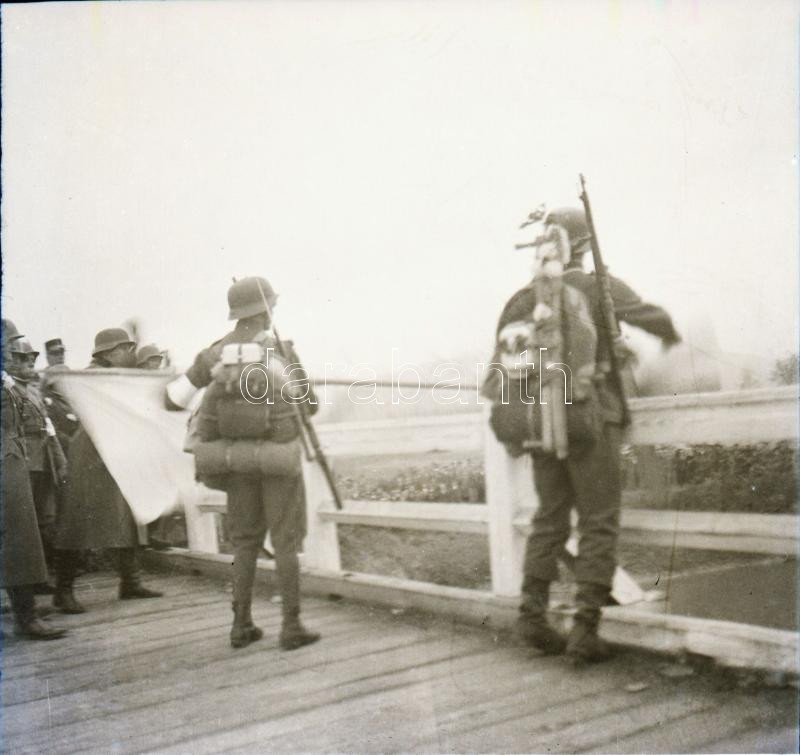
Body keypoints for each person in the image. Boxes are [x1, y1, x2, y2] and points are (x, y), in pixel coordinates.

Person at [492, 206, 680, 664]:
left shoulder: (522, 299)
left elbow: (503, 369)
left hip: (541, 425)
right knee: (598, 521)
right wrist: (670, 335)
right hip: (592, 421)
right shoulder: (598, 286)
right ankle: (585, 631)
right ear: (581, 245)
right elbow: (651, 316)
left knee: (549, 519)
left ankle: (532, 616)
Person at [175, 276, 319, 651]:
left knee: (244, 543)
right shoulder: (281, 351)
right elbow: (310, 406)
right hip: (278, 461)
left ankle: (240, 626)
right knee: (285, 542)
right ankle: (291, 626)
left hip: (236, 462)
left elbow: (173, 399)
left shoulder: (212, 355)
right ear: (265, 310)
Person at [53, 328, 163, 613]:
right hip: (90, 454)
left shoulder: (113, 375)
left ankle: (130, 582)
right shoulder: (92, 377)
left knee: (128, 516)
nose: (130, 354)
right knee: (78, 521)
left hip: (114, 453)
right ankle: (63, 590)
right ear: (109, 353)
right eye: (125, 349)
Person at [1, 319, 66, 640]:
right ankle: (25, 619)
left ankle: (24, 613)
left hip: (13, 461)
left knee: (19, 539)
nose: (12, 351)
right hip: (7, 464)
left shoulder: (10, 384)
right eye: (9, 344)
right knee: (18, 538)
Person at [7, 339, 68, 590]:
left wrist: (59, 459)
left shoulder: (33, 391)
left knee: (45, 520)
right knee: (24, 524)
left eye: (31, 358)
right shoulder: (8, 390)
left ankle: (40, 577)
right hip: (21, 463)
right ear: (11, 361)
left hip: (43, 462)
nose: (29, 362)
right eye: (22, 359)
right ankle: (25, 582)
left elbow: (49, 428)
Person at [40, 338, 80, 452]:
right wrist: (73, 444)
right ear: (48, 357)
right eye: (55, 353)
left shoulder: (69, 377)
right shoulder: (43, 384)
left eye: (62, 352)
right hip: (61, 446)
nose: (60, 356)